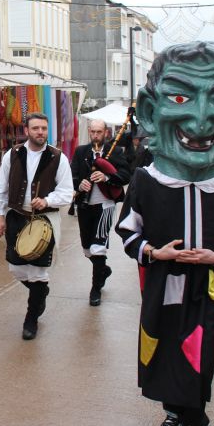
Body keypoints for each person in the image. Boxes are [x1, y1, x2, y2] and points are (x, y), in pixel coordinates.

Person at [115, 41, 214, 426]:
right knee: (163, 351)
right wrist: (154, 252)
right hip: (162, 287)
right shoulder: (146, 180)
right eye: (179, 97)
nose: (200, 117)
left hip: (208, 289)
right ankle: (172, 412)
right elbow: (127, 230)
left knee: (202, 354)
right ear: (150, 110)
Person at [0, 112, 73, 340]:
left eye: (44, 128)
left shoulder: (58, 157)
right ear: (26, 130)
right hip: (17, 215)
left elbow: (67, 192)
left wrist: (48, 200)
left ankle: (31, 318)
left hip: (44, 220)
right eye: (36, 128)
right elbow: (0, 187)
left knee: (38, 270)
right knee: (16, 266)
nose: (41, 132)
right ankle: (41, 292)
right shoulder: (13, 154)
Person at [71, 118, 132, 305]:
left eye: (99, 132)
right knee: (87, 249)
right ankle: (103, 269)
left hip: (105, 204)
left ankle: (95, 288)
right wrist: (79, 183)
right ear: (89, 132)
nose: (96, 135)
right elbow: (72, 175)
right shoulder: (81, 151)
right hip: (85, 204)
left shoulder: (115, 152)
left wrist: (107, 177)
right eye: (93, 132)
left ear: (106, 133)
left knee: (98, 247)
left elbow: (125, 175)